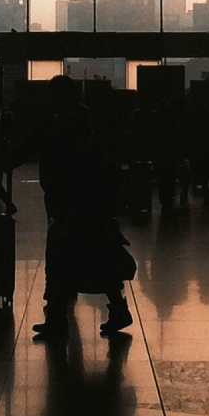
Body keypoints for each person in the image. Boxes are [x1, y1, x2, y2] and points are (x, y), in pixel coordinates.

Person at [34, 77, 133, 340]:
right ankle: (116, 308)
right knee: (95, 257)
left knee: (61, 259)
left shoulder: (65, 124)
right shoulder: (85, 121)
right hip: (87, 203)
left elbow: (59, 161)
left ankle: (56, 318)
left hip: (72, 202)